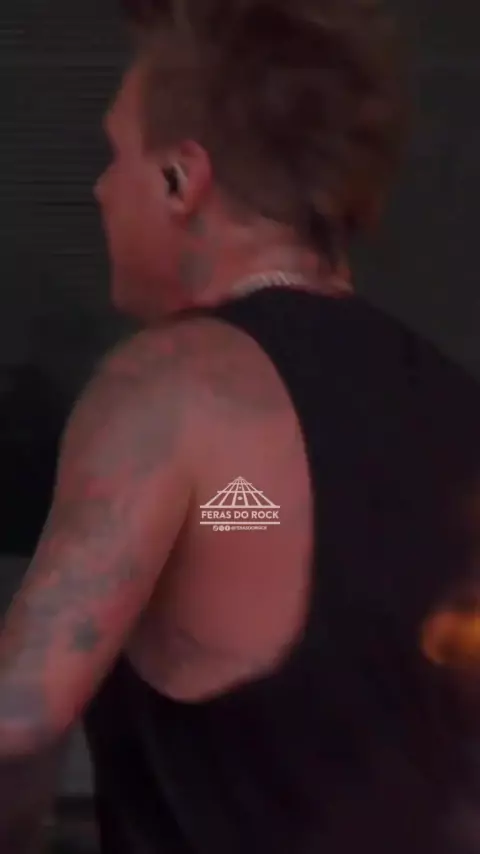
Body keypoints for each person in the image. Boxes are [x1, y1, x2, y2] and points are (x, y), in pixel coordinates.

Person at [1, 1, 480, 852]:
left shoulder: (178, 385)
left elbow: (19, 720)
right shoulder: (456, 407)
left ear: (180, 180)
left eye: (115, 155)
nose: (100, 189)